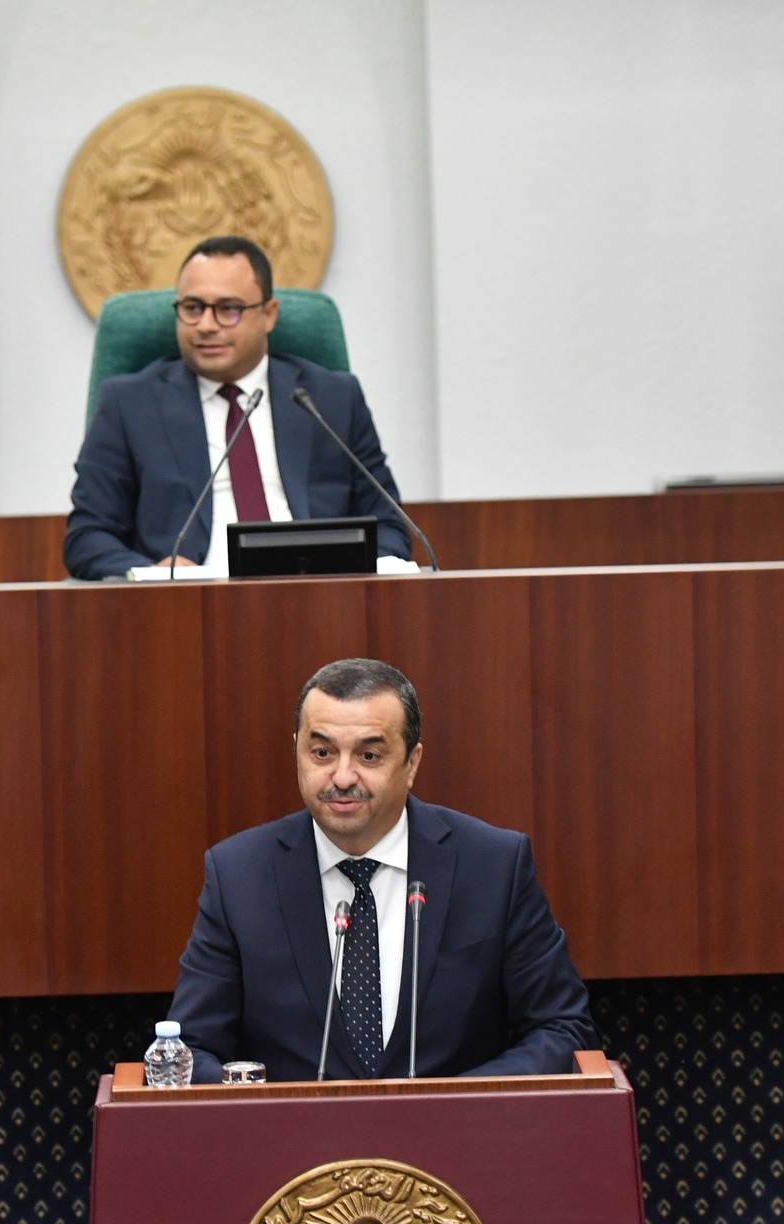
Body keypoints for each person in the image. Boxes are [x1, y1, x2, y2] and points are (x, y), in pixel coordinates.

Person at [165, 659, 599, 1083]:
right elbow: (187, 1050)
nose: (341, 777)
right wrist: (267, 1105)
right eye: (322, 752)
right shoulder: (239, 876)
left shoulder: (493, 866)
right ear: (296, 751)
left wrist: (458, 1104)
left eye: (369, 755)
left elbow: (563, 1028)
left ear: (412, 763)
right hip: (294, 1133)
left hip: (457, 1130)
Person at [63, 236, 413, 580]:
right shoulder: (129, 404)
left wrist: (350, 573)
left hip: (316, 594)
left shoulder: (331, 399)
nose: (206, 325)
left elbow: (389, 525)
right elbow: (88, 535)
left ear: (269, 314)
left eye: (228, 309)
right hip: (190, 603)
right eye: (192, 308)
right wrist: (152, 574)